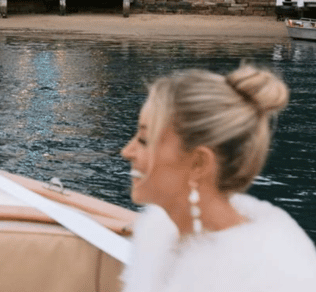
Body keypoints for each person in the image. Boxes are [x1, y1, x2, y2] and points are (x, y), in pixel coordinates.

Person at [120, 64, 316, 292]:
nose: (127, 152)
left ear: (198, 163)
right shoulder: (159, 235)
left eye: (144, 140)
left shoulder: (271, 276)